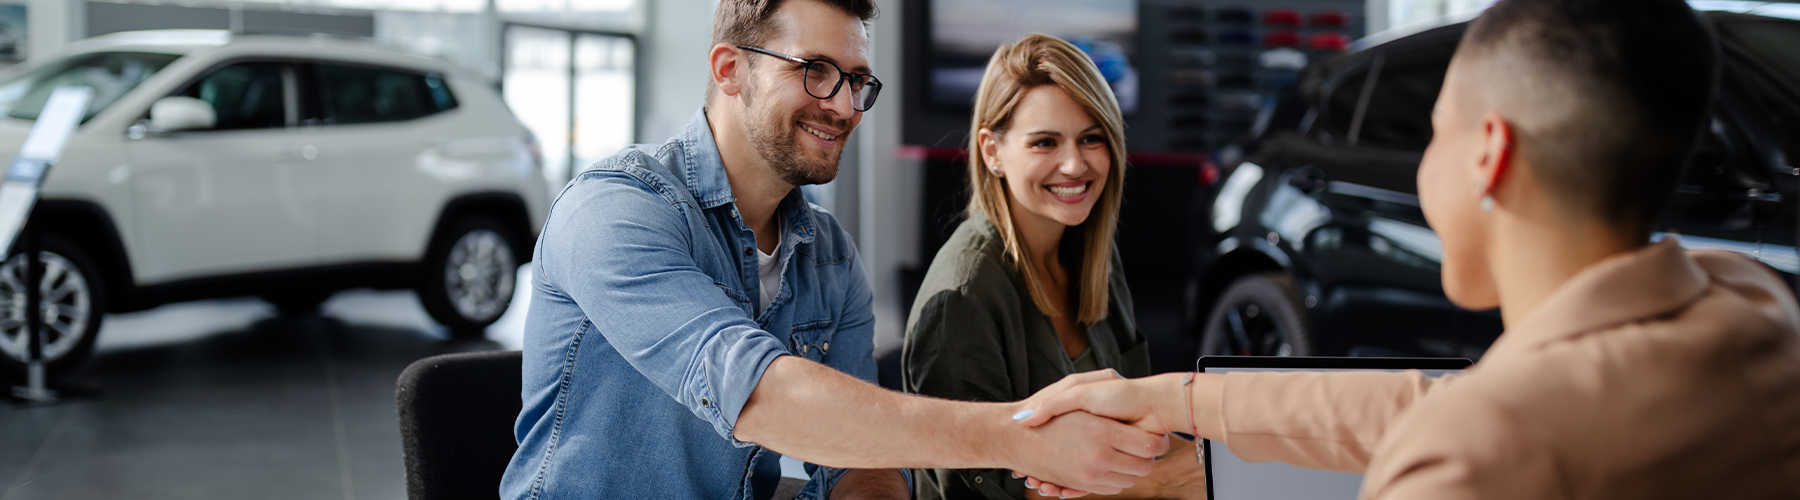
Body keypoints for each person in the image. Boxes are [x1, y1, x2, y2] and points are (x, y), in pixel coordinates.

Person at [1012, 0, 1800, 498]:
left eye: (1431, 132)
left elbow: (1467, 427)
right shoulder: (1751, 303)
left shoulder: (1472, 462)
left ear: (1489, 153)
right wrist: (1176, 401)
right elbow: (1444, 403)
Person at [500, 0, 1170, 498]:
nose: (845, 106)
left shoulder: (828, 254)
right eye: (815, 71)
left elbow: (863, 468)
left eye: (856, 80)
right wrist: (1021, 437)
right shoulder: (617, 210)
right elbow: (757, 393)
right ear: (730, 69)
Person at [902, 34, 1205, 500]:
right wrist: (1167, 480)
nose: (1074, 164)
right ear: (992, 152)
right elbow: (974, 491)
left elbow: (1142, 429)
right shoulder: (963, 296)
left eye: (1092, 138)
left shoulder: (1094, 255)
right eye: (1045, 142)